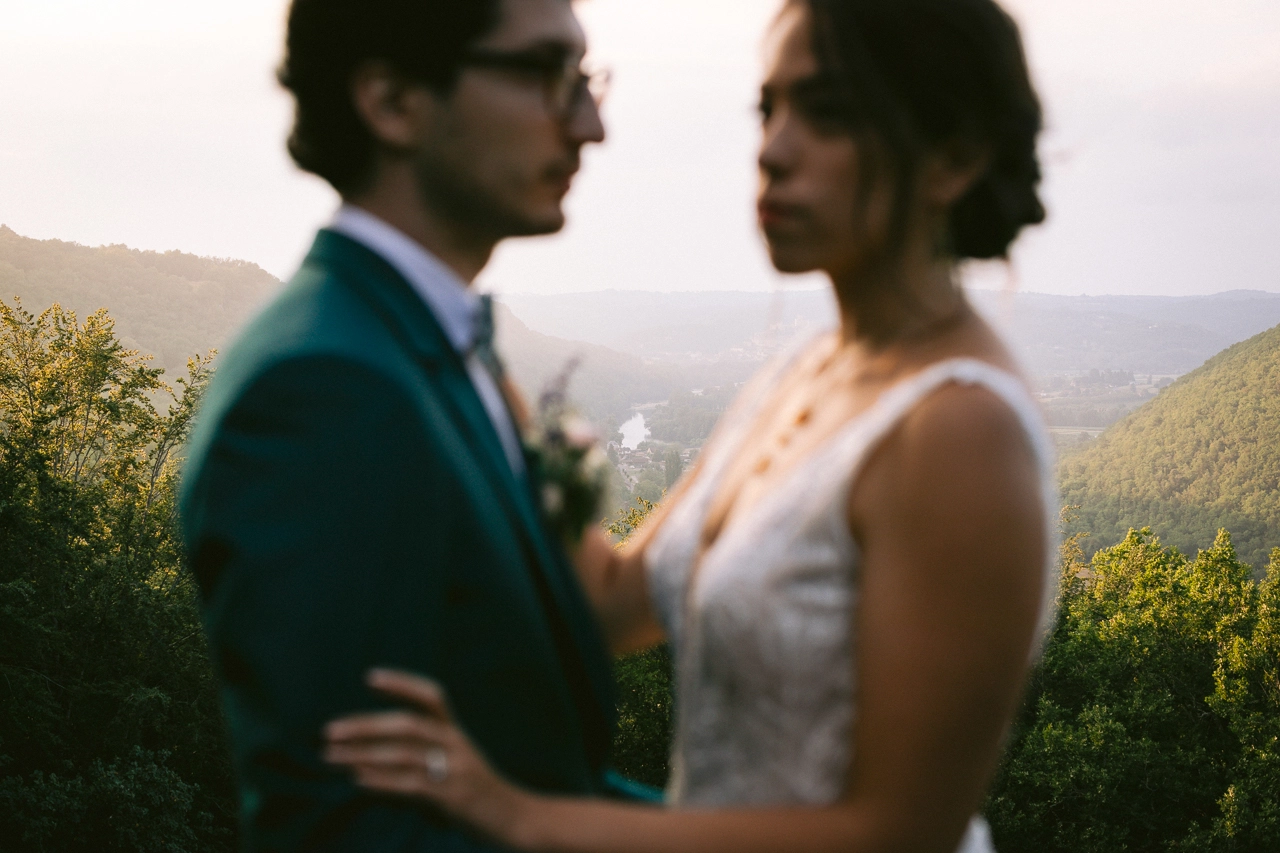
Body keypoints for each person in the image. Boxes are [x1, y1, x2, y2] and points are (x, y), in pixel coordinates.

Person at [323, 0, 1057, 851]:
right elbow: (614, 602)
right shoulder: (802, 372)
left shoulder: (959, 429)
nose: (773, 149)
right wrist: (470, 357)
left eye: (826, 112)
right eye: (768, 108)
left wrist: (519, 813)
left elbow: (895, 832)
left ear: (954, 157)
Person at [177, 0, 635, 849]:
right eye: (545, 73)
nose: (590, 125)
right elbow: (346, 823)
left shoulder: (431, 348)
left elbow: (537, 774)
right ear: (392, 101)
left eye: (586, 79)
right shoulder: (322, 392)